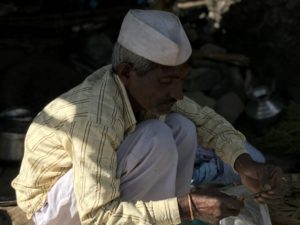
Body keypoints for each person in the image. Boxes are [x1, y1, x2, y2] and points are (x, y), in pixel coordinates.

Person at [12, 9, 284, 225]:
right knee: (156, 136)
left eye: (181, 81)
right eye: (167, 81)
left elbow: (205, 120)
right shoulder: (95, 116)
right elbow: (96, 216)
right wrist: (190, 207)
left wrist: (244, 164)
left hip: (94, 202)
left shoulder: (140, 90)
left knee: (183, 127)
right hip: (54, 211)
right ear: (127, 72)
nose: (177, 93)